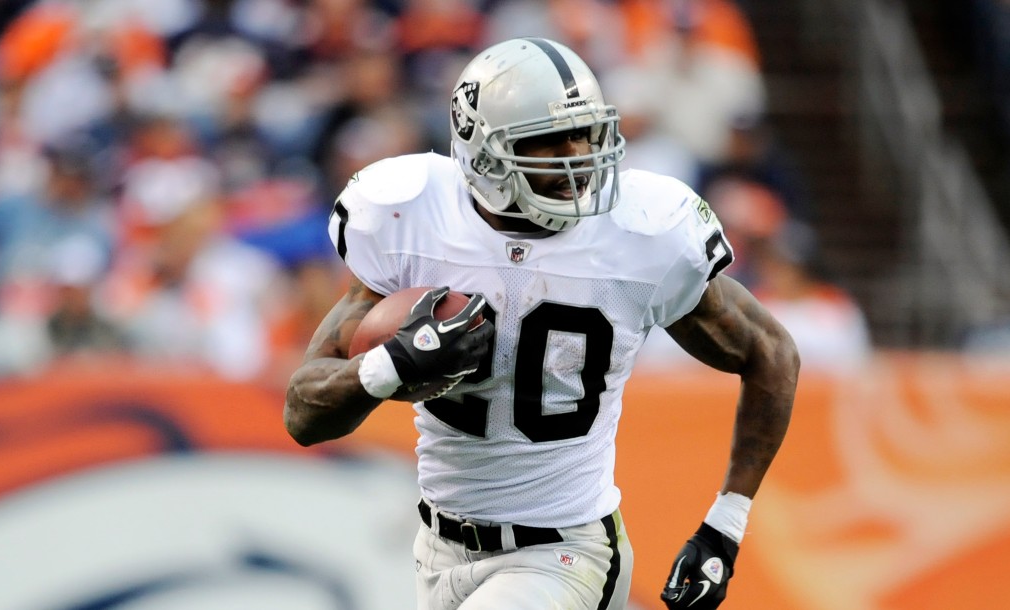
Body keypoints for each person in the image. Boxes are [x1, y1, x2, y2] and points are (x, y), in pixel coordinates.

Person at [283, 37, 799, 610]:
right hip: (437, 550)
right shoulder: (410, 215)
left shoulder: (644, 234)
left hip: (565, 553)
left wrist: (725, 525)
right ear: (483, 154)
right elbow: (303, 414)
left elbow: (771, 352)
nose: (578, 156)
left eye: (585, 133)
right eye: (549, 140)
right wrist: (390, 366)